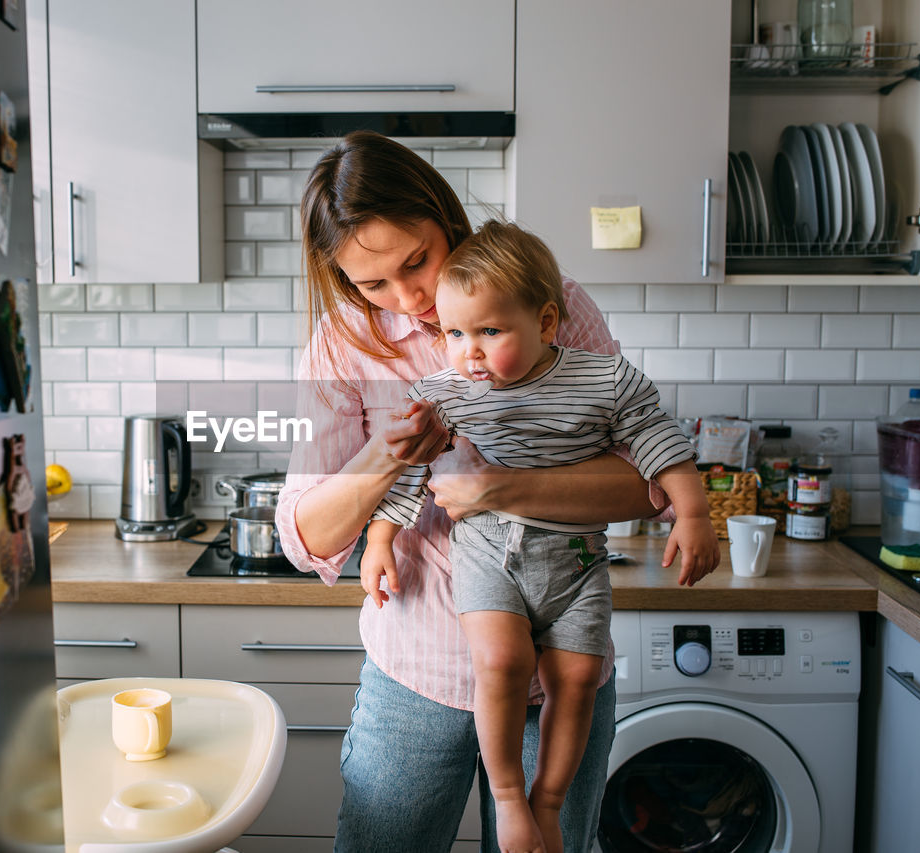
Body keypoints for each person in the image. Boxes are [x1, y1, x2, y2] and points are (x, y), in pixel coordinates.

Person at [276, 130, 719, 852]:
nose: (410, 297)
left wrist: (495, 486)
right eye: (373, 283)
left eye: (417, 261)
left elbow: (644, 485)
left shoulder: (549, 302)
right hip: (418, 676)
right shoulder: (343, 341)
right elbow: (305, 538)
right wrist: (385, 456)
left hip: (558, 677)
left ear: (442, 214)